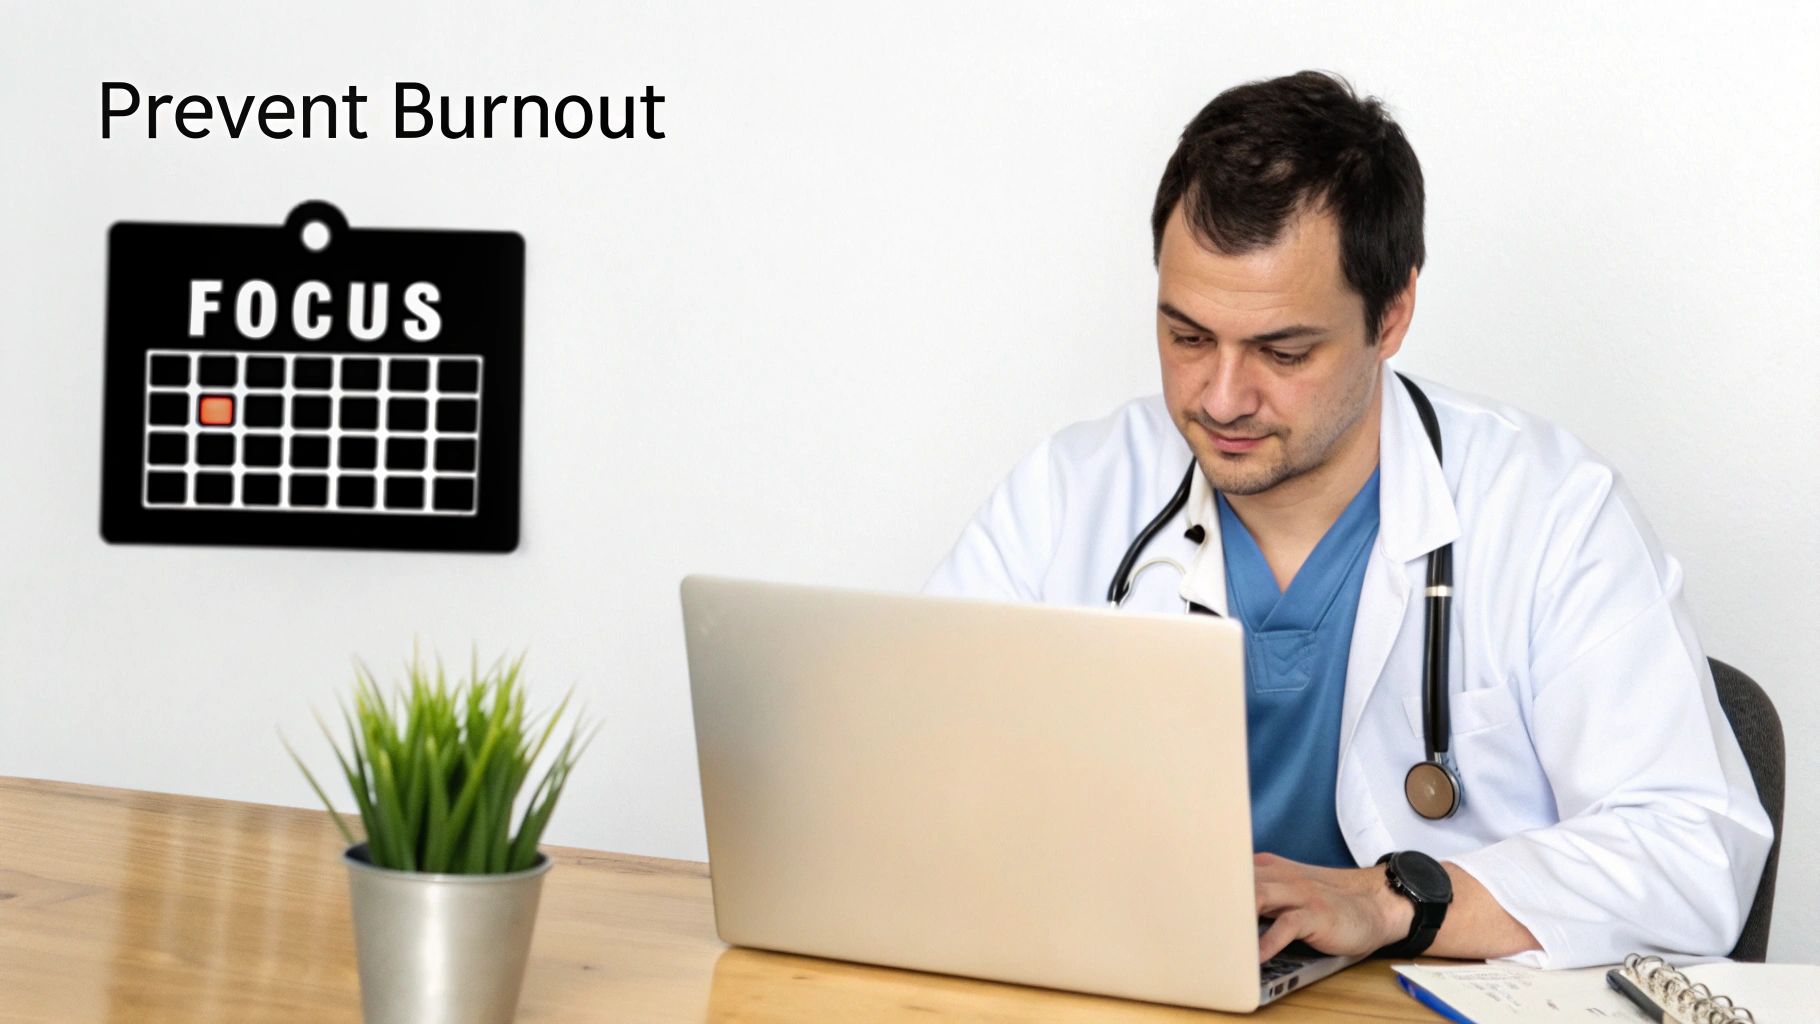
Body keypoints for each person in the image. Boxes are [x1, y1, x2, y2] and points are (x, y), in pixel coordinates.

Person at [923, 71, 1772, 969]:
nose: (1221, 397)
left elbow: (1692, 848)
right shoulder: (1068, 496)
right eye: (1188, 337)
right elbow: (909, 772)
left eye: (1283, 351)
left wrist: (1391, 897)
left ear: (1392, 314)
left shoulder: (1549, 512)